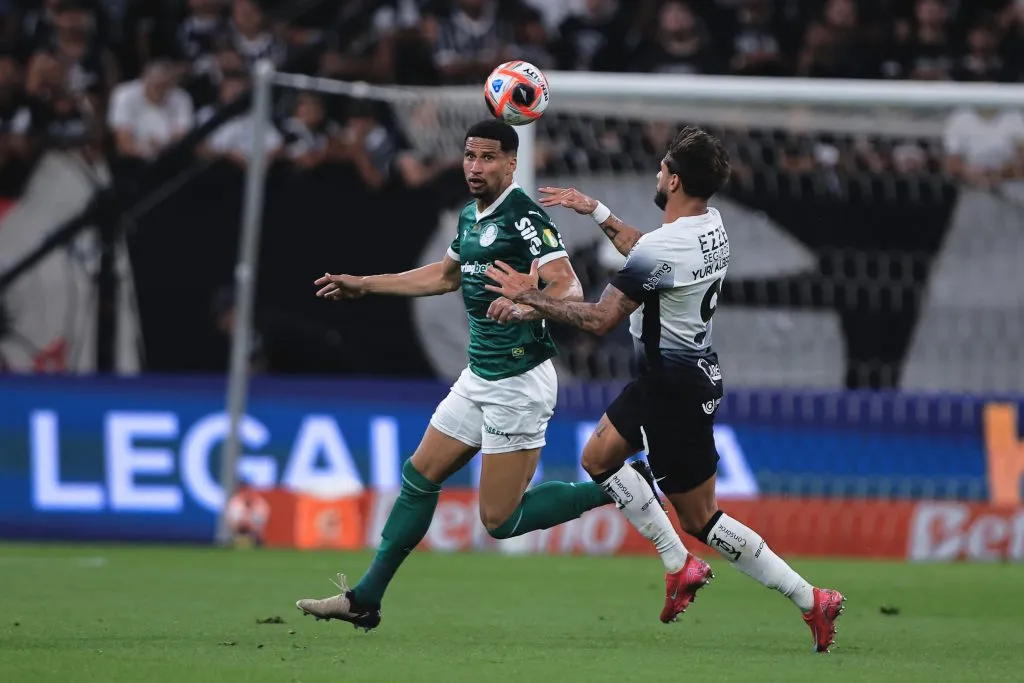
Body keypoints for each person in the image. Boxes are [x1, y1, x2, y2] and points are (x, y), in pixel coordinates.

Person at [484, 126, 846, 653]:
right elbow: (647, 256)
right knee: (599, 458)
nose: (657, 174)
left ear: (674, 180)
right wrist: (598, 212)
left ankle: (811, 598)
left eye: (662, 168)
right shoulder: (709, 225)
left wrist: (531, 295)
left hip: (675, 392)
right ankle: (678, 564)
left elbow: (602, 319)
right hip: (665, 380)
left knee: (702, 518)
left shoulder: (666, 245)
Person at [294, 119, 658, 630]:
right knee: (420, 475)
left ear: (511, 163)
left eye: (488, 158)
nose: (475, 167)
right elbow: (444, 275)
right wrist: (365, 284)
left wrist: (527, 304)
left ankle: (623, 483)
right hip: (480, 375)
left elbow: (569, 287)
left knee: (500, 521)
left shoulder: (523, 215)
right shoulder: (470, 215)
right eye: (470, 156)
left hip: (519, 380)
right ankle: (365, 598)